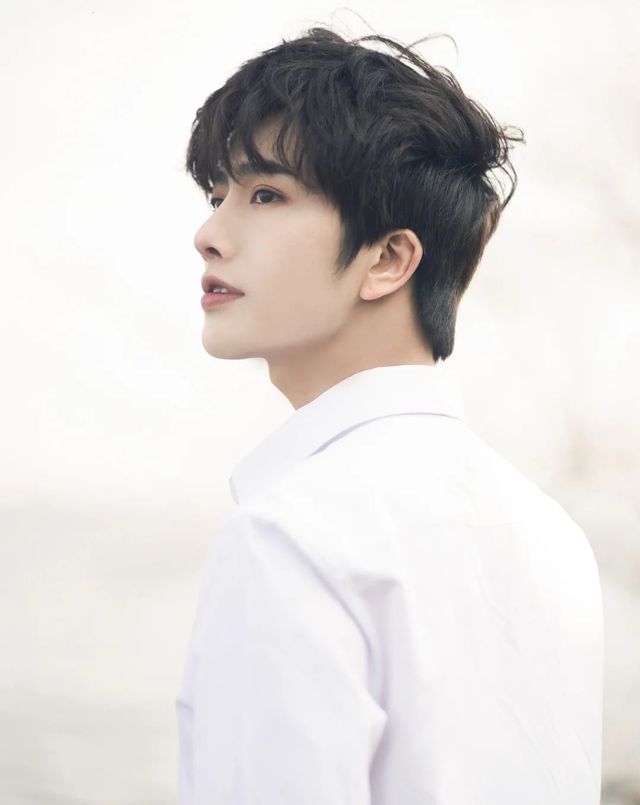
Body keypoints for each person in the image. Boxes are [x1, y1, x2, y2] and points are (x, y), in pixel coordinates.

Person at [176, 25, 603, 805]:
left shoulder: (290, 539)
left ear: (388, 258)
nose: (209, 235)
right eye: (216, 196)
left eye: (266, 195)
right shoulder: (553, 537)